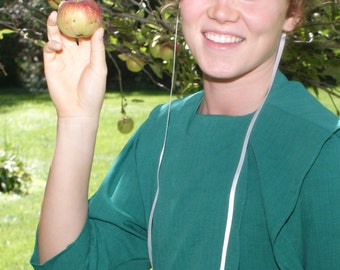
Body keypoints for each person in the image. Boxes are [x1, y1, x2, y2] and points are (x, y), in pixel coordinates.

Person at [31, 0, 340, 269]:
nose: (222, 11)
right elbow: (74, 263)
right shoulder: (163, 131)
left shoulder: (324, 152)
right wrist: (76, 119)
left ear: (292, 12)